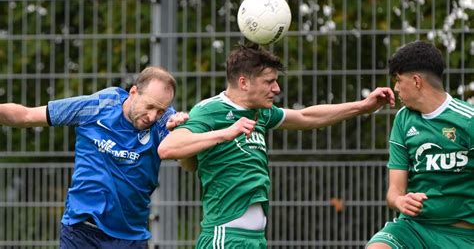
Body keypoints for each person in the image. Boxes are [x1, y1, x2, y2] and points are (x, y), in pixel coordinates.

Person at [158, 43, 396, 248]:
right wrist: (225, 133)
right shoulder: (209, 110)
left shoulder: (260, 112)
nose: (276, 89)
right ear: (243, 82)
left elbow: (306, 117)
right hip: (225, 237)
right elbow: (168, 148)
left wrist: (363, 106)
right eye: (269, 82)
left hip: (255, 239)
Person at [0, 66, 187, 248]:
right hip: (81, 231)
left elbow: (190, 165)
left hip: (130, 236)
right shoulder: (98, 106)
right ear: (133, 92)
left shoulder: (166, 122)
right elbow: (26, 115)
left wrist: (183, 134)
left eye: (161, 110)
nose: (153, 116)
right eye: (150, 106)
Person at [366, 41, 474, 248]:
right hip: (413, 230)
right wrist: (401, 201)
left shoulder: (468, 120)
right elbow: (394, 191)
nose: (396, 88)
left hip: (462, 236)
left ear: (416, 81)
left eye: (398, 80)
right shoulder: (403, 120)